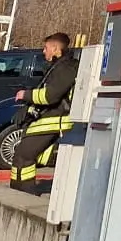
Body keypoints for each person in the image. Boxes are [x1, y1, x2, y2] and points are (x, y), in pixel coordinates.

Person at [9, 33, 79, 193]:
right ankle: (16, 191)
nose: (43, 51)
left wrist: (26, 95)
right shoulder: (58, 66)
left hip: (56, 119)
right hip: (49, 118)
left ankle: (24, 193)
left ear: (55, 48)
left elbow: (51, 95)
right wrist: (28, 108)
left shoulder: (66, 68)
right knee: (21, 156)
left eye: (46, 48)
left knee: (24, 156)